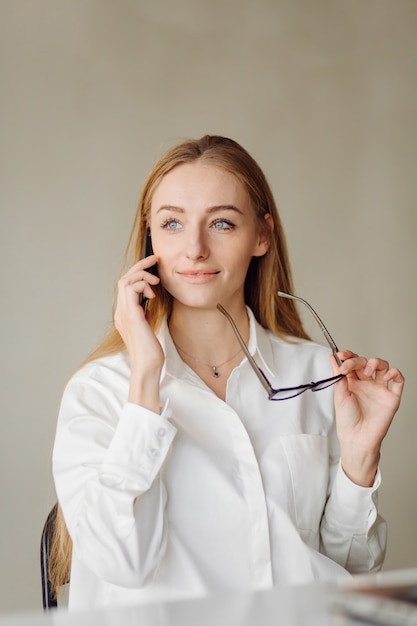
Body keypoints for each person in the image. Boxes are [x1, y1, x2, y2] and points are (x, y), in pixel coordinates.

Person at [51, 135, 404, 611]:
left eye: (221, 223)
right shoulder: (101, 391)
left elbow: (348, 574)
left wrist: (359, 461)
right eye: (172, 223)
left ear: (261, 236)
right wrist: (146, 381)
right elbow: (121, 563)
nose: (195, 249)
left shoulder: (318, 375)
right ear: (151, 237)